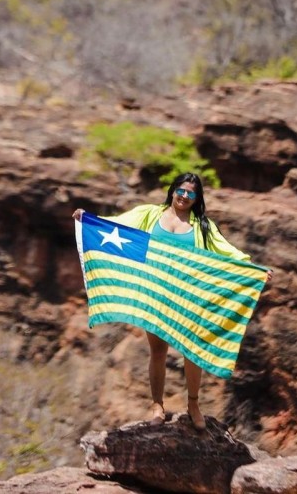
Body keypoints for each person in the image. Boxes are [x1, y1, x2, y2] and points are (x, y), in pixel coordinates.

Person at [73, 171, 267, 431]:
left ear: (196, 198)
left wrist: (254, 269)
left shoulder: (203, 226)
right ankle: (157, 405)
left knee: (192, 352)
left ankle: (193, 404)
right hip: (156, 294)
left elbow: (228, 252)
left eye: (191, 193)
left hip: (187, 296)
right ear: (173, 190)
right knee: (158, 352)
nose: (184, 196)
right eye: (181, 190)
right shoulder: (150, 214)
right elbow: (118, 225)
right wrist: (88, 219)